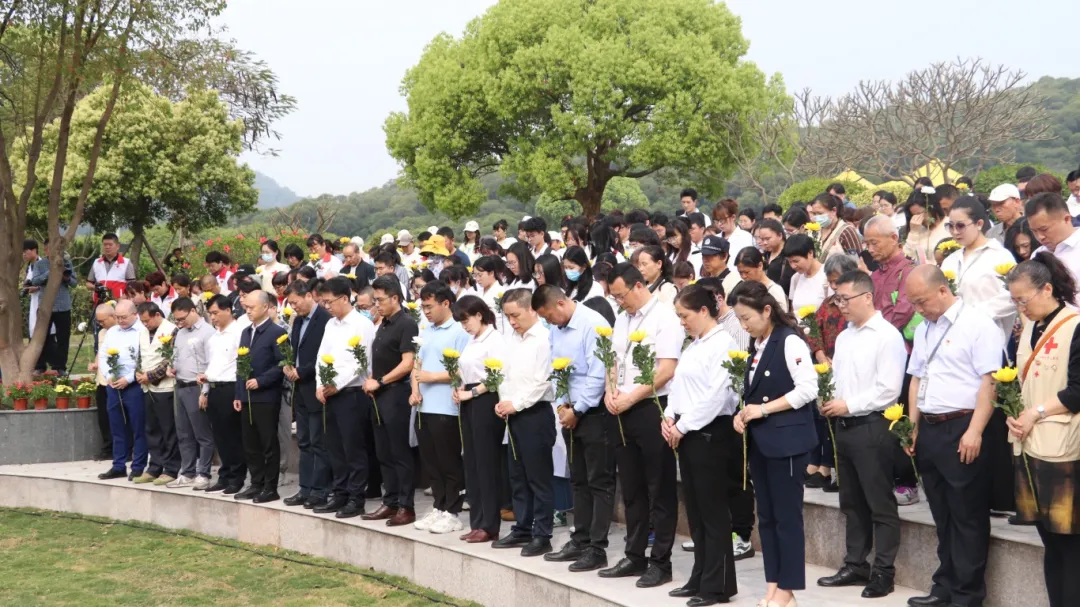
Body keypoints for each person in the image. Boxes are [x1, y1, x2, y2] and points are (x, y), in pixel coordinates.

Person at [904, 265, 1002, 607]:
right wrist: (912, 424)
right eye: (913, 303)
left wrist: (975, 430)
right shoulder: (924, 329)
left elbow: (990, 380)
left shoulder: (977, 324)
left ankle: (967, 594)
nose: (919, 309)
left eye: (922, 301)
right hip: (930, 427)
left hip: (963, 425)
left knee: (967, 514)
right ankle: (944, 585)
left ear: (943, 291)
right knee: (941, 513)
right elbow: (916, 378)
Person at [816, 271, 907, 599]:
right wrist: (829, 399)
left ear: (867, 297)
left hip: (872, 426)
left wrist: (848, 404)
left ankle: (884, 571)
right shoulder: (845, 336)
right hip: (844, 426)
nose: (840, 306)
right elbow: (841, 379)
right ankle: (855, 563)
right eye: (837, 299)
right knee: (851, 501)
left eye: (845, 299)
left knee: (879, 502)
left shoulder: (887, 336)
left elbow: (888, 389)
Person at [732, 281, 819, 607]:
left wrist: (764, 409)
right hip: (762, 442)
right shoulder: (757, 345)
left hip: (787, 442)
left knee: (787, 518)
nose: (744, 325)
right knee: (767, 518)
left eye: (747, 318)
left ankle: (788, 588)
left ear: (767, 310)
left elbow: (807, 389)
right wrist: (744, 414)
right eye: (739, 319)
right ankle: (773, 585)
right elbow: (755, 395)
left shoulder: (789, 340)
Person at [1003, 254, 1080, 607]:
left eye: (1024, 299)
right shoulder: (1029, 327)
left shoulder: (1074, 325)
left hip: (1064, 449)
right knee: (1049, 540)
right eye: (1015, 301)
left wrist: (1036, 411)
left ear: (1047, 289)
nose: (1020, 307)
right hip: (1029, 445)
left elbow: (1077, 390)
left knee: (1070, 542)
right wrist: (1015, 413)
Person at [602, 264, 682, 588]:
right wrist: (610, 391)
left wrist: (631, 397)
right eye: (615, 297)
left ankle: (660, 561)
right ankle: (634, 554)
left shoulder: (664, 318)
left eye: (622, 295)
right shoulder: (622, 319)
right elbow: (612, 360)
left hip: (651, 407)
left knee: (659, 487)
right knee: (632, 487)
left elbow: (666, 369)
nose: (620, 302)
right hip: (620, 408)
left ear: (638, 286)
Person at [662, 284, 740, 605]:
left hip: (709, 433)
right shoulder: (694, 345)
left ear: (704, 311)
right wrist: (669, 415)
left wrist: (682, 425)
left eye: (685, 316)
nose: (682, 322)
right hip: (687, 431)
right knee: (695, 510)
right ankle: (700, 575)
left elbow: (717, 397)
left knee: (712, 511)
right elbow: (679, 387)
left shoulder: (722, 343)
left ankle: (716, 584)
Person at [534, 284, 614, 572]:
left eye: (549, 316)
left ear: (560, 303)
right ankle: (580, 539)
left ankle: (597, 547)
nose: (549, 322)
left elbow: (597, 374)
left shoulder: (593, 323)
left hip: (593, 412)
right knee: (578, 479)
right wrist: (562, 407)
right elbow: (556, 370)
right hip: (569, 412)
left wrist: (578, 410)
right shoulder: (557, 329)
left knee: (598, 481)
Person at [487, 288, 559, 554]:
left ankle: (542, 533)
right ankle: (522, 527)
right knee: (517, 475)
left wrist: (516, 404)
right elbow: (506, 375)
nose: (512, 321)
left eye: (516, 315)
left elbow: (543, 382)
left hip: (534, 413)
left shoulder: (544, 338)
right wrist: (504, 401)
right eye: (507, 317)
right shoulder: (511, 339)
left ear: (531, 309)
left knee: (538, 478)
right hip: (513, 413)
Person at [444, 295, 507, 543]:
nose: (465, 326)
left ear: (479, 315)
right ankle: (477, 521)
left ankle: (490, 524)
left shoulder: (495, 338)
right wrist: (460, 387)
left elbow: (496, 375)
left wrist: (472, 393)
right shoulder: (472, 340)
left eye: (466, 320)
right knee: (471, 461)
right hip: (469, 398)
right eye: (461, 322)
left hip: (485, 399)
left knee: (486, 463)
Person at [314, 277, 378, 519]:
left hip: (352, 393)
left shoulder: (362, 324)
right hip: (330, 393)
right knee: (335, 448)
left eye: (329, 302)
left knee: (353, 449)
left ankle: (356, 498)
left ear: (344, 298)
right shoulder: (331, 325)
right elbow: (322, 356)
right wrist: (320, 385)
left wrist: (336, 385)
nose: (327, 306)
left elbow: (361, 362)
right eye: (323, 302)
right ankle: (339, 493)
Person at [411, 281, 470, 533]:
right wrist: (415, 390)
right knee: (431, 462)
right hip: (423, 406)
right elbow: (417, 363)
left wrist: (431, 377)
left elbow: (463, 370)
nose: (426, 311)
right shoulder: (426, 330)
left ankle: (452, 512)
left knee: (449, 462)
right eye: (423, 307)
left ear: (446, 303)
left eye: (429, 306)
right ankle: (438, 506)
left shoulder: (459, 331)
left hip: (447, 406)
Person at [361, 275, 420, 526]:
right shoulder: (383, 324)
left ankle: (406, 506)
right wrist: (372, 379)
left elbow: (407, 363)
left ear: (395, 298)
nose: (377, 305)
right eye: (374, 300)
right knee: (383, 451)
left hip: (396, 393)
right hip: (379, 394)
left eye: (380, 300)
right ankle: (391, 500)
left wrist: (381, 381)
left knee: (399, 453)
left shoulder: (406, 323)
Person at [279, 280, 332, 509]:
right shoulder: (298, 320)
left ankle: (320, 490)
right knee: (304, 441)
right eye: (290, 303)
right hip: (300, 389)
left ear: (309, 295)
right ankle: (305, 488)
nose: (293, 307)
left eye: (295, 302)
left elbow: (324, 355)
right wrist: (288, 365)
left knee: (319, 442)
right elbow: (295, 349)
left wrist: (303, 371)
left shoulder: (325, 319)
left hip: (316, 387)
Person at [232, 290, 288, 503]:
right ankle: (256, 483)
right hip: (246, 396)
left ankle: (270, 487)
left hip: (266, 396)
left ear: (265, 307)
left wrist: (261, 381)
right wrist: (238, 393)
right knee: (250, 443)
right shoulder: (246, 332)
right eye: (246, 307)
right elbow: (241, 363)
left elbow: (282, 364)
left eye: (251, 307)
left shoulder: (277, 332)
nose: (247, 311)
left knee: (268, 443)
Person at [940, 196, 1017, 339]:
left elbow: (1012, 296)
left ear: (979, 224)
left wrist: (973, 314)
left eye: (960, 226)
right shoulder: (950, 260)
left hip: (988, 335)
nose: (955, 232)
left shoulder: (1000, 255)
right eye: (950, 226)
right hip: (953, 336)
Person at [162, 296, 216, 490]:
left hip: (197, 387)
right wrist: (171, 368)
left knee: (202, 434)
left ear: (193, 311)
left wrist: (205, 391)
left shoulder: (208, 333)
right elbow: (177, 357)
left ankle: (204, 473)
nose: (179, 323)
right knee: (183, 433)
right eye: (176, 319)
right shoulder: (180, 333)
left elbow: (211, 363)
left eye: (182, 318)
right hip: (180, 386)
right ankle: (187, 472)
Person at [199, 295, 248, 494]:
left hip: (231, 388)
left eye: (215, 313)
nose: (213, 317)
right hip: (214, 388)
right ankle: (224, 475)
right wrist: (205, 389)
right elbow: (211, 365)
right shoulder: (214, 338)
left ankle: (237, 477)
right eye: (210, 314)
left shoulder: (239, 333)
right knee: (220, 436)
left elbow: (242, 365)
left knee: (233, 435)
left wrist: (239, 393)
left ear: (228, 310)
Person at [96, 300, 149, 481]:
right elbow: (103, 355)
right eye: (117, 317)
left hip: (134, 384)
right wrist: (109, 375)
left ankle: (138, 466)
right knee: (116, 426)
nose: (120, 321)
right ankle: (118, 465)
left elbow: (144, 359)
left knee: (138, 427)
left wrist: (129, 378)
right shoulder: (112, 332)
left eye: (124, 317)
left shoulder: (142, 331)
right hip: (114, 385)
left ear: (134, 314)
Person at [132, 303, 180, 487]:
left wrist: (150, 376)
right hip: (147, 388)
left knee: (168, 430)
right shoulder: (143, 333)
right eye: (142, 321)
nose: (145, 324)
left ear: (157, 314)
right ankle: (154, 467)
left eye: (147, 320)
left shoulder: (172, 330)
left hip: (165, 388)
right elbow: (140, 356)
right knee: (152, 429)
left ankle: (171, 468)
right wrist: (138, 373)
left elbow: (170, 359)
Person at [864, 216, 917, 336]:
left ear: (894, 238)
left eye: (874, 243)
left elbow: (902, 313)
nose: (870, 249)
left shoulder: (908, 270)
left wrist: (878, 335)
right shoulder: (875, 275)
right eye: (867, 244)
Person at [89, 303, 120, 460]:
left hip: (117, 380)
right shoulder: (102, 333)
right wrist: (95, 364)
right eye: (98, 321)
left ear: (113, 316)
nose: (101, 324)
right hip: (102, 381)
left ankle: (122, 449)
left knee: (118, 418)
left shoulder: (121, 331)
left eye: (103, 321)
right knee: (103, 418)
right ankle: (107, 448)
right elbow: (100, 352)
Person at [1027, 193, 1080, 283]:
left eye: (1044, 229)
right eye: (1034, 231)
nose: (1040, 237)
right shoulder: (1037, 255)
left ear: (1066, 219)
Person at [903, 189, 950, 266]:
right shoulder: (917, 229)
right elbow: (907, 256)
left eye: (920, 214)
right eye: (914, 215)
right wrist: (913, 233)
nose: (918, 219)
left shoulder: (950, 225)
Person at [809, 193, 861, 261]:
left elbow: (858, 262)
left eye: (820, 213)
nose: (816, 217)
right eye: (814, 214)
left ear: (834, 211)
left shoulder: (846, 232)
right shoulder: (815, 231)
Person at [86, 232, 136, 301]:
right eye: (105, 245)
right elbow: (88, 283)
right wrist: (96, 287)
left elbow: (132, 285)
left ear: (118, 246)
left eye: (110, 245)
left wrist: (122, 299)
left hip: (119, 303)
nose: (107, 247)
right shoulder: (97, 262)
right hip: (99, 302)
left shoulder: (126, 263)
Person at [735, 248, 788, 312]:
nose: (743, 276)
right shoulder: (744, 289)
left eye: (747, 272)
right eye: (740, 273)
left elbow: (781, 316)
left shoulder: (775, 291)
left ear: (760, 266)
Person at [785, 234, 828, 312]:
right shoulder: (795, 278)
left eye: (796, 261)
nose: (793, 266)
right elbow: (793, 310)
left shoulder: (827, 275)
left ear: (810, 253)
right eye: (789, 262)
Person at [710, 198, 755, 270]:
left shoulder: (745, 237)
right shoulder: (715, 239)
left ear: (733, 217)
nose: (719, 224)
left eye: (722, 220)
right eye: (717, 220)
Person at [756, 219, 794, 296]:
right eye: (762, 239)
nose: (764, 243)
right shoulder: (765, 255)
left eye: (767, 239)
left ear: (780, 235)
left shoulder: (788, 255)